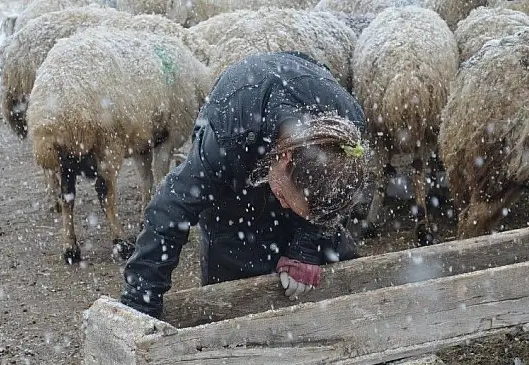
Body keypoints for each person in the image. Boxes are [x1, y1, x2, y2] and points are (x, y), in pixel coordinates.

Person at [120, 51, 371, 318]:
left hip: (295, 164)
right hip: (236, 176)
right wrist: (141, 305)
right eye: (285, 199)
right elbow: (169, 211)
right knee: (232, 282)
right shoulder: (229, 136)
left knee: (333, 259)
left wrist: (305, 247)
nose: (284, 205)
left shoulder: (345, 135)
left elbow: (321, 203)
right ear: (284, 158)